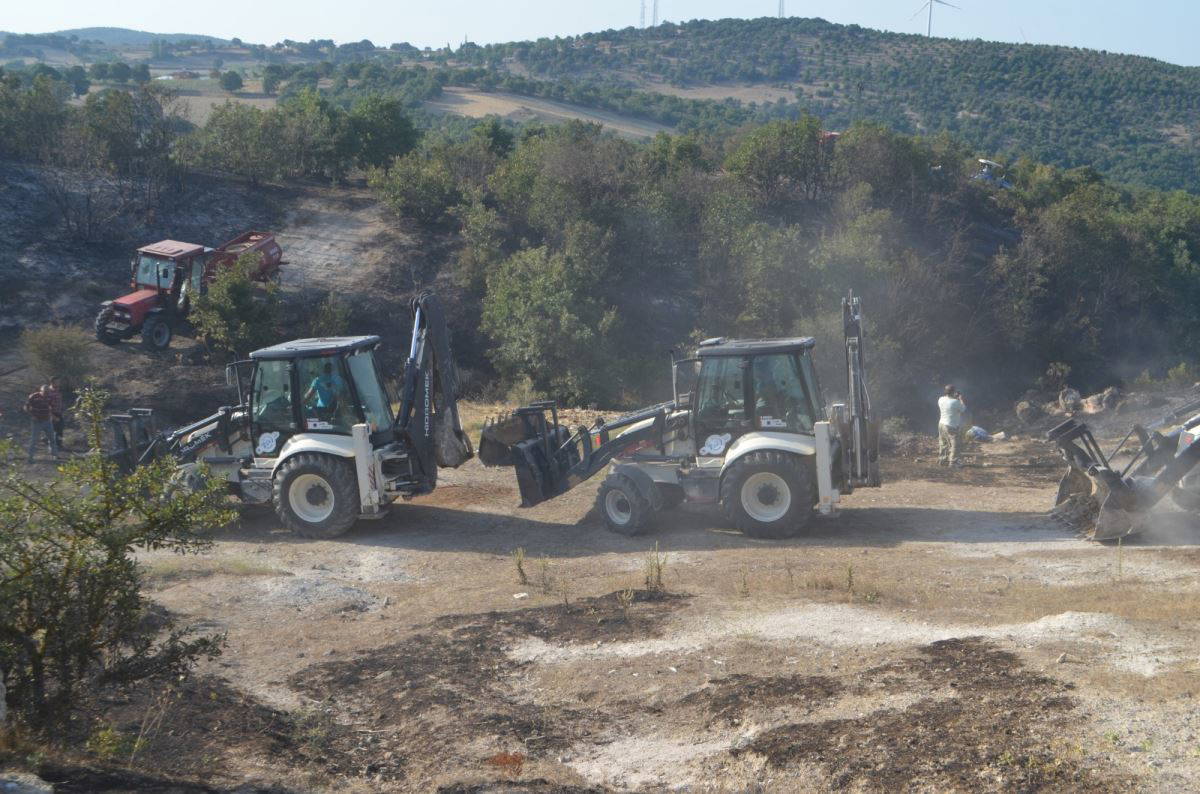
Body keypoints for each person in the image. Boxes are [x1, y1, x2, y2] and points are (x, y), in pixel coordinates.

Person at [25, 384, 59, 462]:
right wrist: (32, 415)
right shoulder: (33, 397)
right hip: (37, 421)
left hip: (47, 421)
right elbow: (26, 407)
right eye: (45, 391)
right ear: (41, 390)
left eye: (48, 392)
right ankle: (30, 457)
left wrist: (54, 417)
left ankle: (54, 455)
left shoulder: (50, 397)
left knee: (52, 438)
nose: (46, 393)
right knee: (34, 439)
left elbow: (50, 408)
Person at [937, 384, 966, 467]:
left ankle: (942, 460)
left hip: (941, 424)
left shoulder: (941, 399)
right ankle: (953, 462)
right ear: (953, 392)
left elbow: (948, 402)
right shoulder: (956, 402)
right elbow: (963, 409)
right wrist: (960, 399)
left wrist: (954, 397)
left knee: (943, 443)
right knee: (955, 444)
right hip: (951, 425)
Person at [46, 376, 65, 447]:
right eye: (57, 381)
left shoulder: (58, 390)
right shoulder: (49, 391)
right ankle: (52, 446)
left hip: (59, 413)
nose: (59, 383)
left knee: (60, 430)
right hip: (52, 414)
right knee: (54, 431)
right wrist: (52, 416)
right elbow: (46, 405)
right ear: (52, 382)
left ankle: (59, 445)